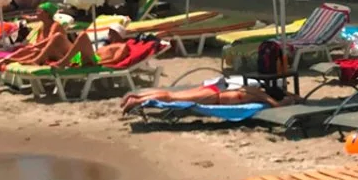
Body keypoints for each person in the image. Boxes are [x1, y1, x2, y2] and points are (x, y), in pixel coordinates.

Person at [120, 80, 281, 116]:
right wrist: (286, 101)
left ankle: (138, 96)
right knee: (171, 97)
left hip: (212, 91)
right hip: (212, 97)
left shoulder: (252, 89)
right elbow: (275, 105)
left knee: (172, 95)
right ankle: (137, 100)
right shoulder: (261, 94)